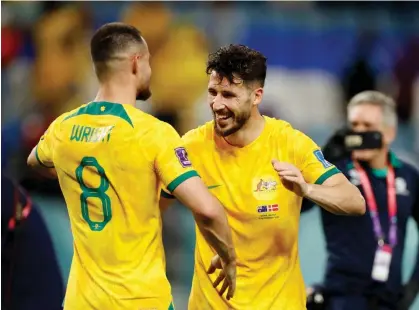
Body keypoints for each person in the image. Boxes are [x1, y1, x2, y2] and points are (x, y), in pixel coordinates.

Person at [26, 22, 236, 310]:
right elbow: (207, 208)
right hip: (141, 300)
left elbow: (35, 160)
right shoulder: (152, 133)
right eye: (149, 62)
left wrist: (71, 173)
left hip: (81, 301)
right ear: (136, 63)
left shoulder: (63, 127)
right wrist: (229, 258)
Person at [160, 44, 366, 310]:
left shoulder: (290, 144)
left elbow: (354, 201)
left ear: (256, 96)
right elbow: (151, 209)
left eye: (229, 94)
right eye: (212, 92)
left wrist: (306, 189)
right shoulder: (192, 147)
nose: (217, 104)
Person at [303, 91, 419, 310]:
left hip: (390, 301)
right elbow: (299, 207)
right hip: (342, 299)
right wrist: (323, 160)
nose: (359, 133)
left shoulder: (408, 176)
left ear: (389, 133)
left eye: (367, 126)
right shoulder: (336, 173)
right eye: (354, 125)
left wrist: (413, 285)